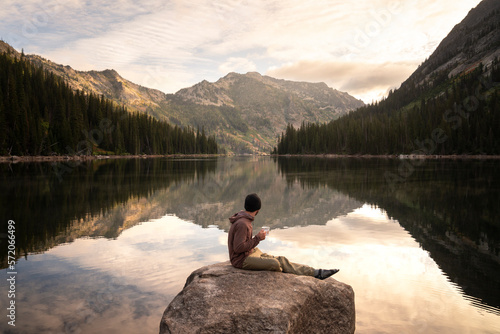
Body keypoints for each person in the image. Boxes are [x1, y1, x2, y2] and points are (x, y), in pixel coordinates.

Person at [227, 193, 339, 280]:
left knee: (281, 259)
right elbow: (238, 248)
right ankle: (310, 273)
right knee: (275, 263)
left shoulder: (244, 219)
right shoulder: (243, 223)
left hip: (249, 253)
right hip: (241, 260)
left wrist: (255, 241)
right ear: (257, 210)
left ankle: (314, 272)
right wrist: (257, 238)